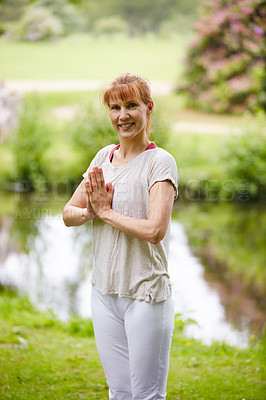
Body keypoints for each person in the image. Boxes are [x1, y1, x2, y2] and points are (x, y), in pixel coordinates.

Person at [63, 73, 179, 400]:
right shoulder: (103, 158)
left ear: (148, 109)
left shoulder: (160, 163)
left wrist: (107, 212)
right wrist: (90, 211)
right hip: (103, 293)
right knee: (119, 392)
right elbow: (68, 213)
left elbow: (155, 231)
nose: (122, 115)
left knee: (147, 395)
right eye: (115, 107)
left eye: (131, 106)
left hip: (145, 294)